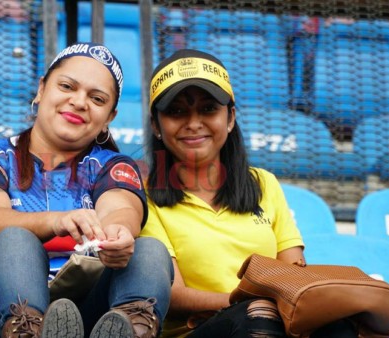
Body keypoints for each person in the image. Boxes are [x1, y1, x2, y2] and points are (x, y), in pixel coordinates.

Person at [0, 42, 173, 338]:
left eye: (97, 99)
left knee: (149, 250)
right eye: (67, 86)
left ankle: (134, 331)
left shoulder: (113, 165)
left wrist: (118, 234)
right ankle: (28, 332)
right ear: (41, 89)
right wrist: (57, 221)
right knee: (14, 239)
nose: (79, 102)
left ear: (109, 118)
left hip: (88, 320)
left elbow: (121, 209)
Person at [140, 49, 359, 338]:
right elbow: (173, 295)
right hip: (198, 332)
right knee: (257, 317)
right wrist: (249, 301)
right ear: (156, 125)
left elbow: (293, 272)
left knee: (338, 327)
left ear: (230, 118)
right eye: (177, 111)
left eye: (208, 109)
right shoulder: (142, 196)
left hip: (272, 320)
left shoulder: (264, 183)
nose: (193, 123)